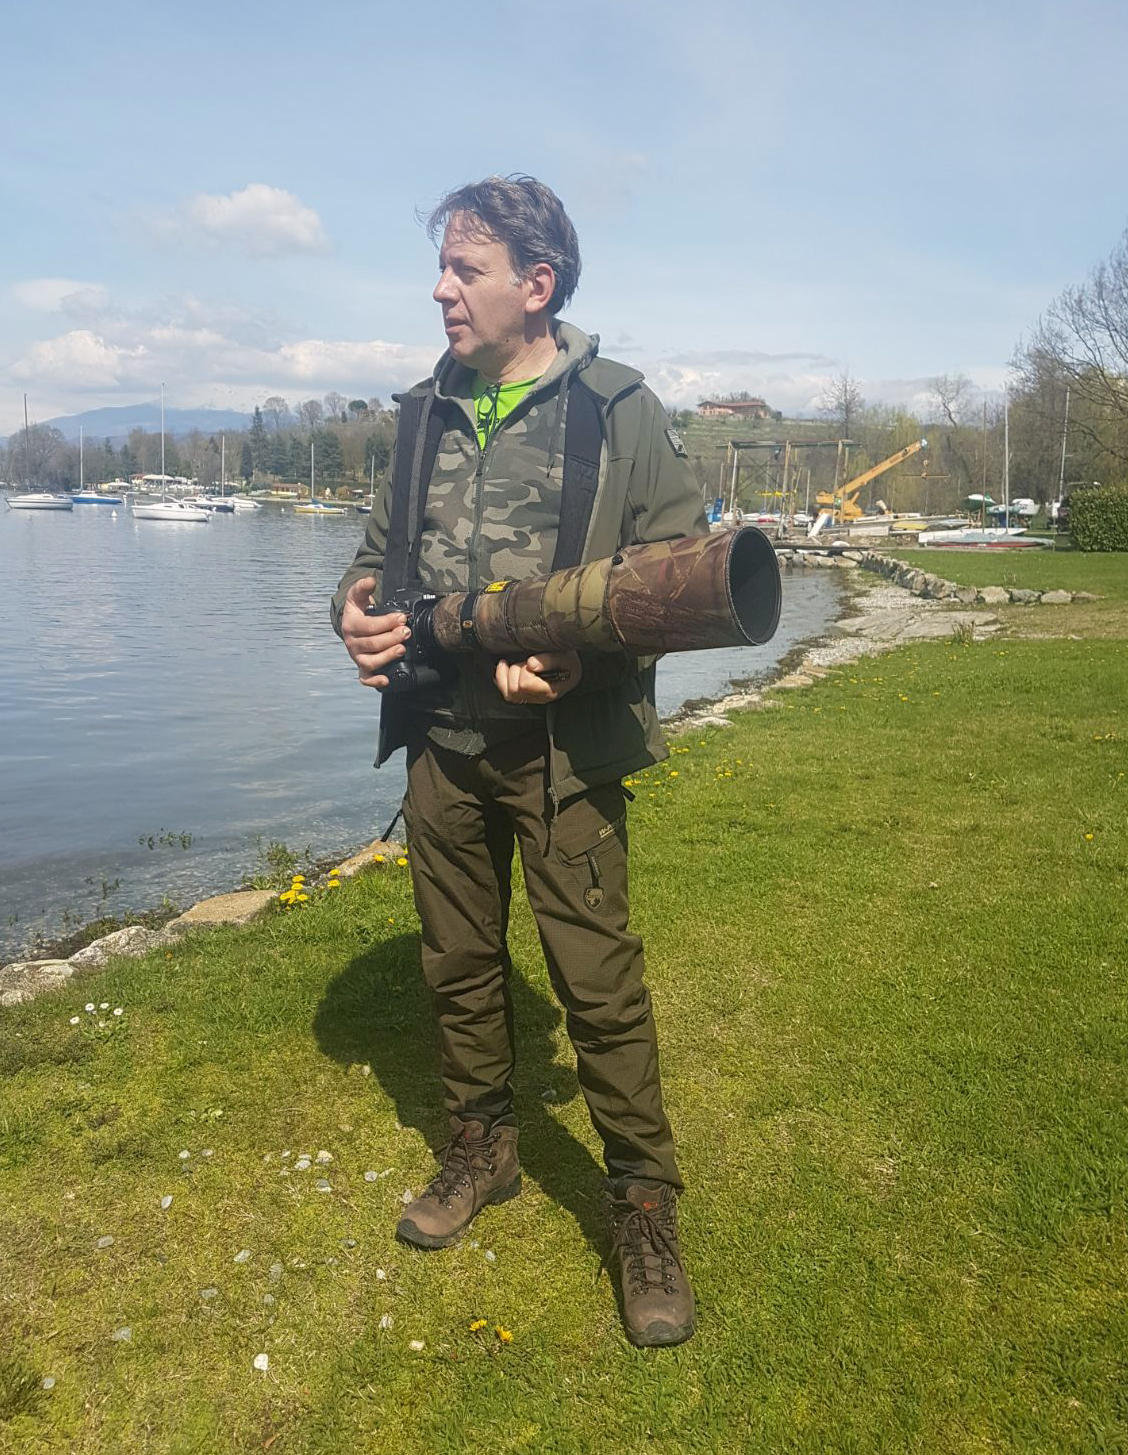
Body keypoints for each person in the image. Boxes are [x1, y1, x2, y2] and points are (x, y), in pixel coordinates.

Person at [331, 174, 707, 1348]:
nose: (442, 290)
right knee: (457, 966)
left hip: (564, 756)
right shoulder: (420, 411)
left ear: (536, 285)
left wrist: (583, 662)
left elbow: (680, 581)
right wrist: (351, 611)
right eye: (442, 268)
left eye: (466, 269)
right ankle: (482, 1146)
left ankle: (643, 1206)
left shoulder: (617, 407)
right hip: (439, 745)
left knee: (598, 987)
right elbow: (372, 556)